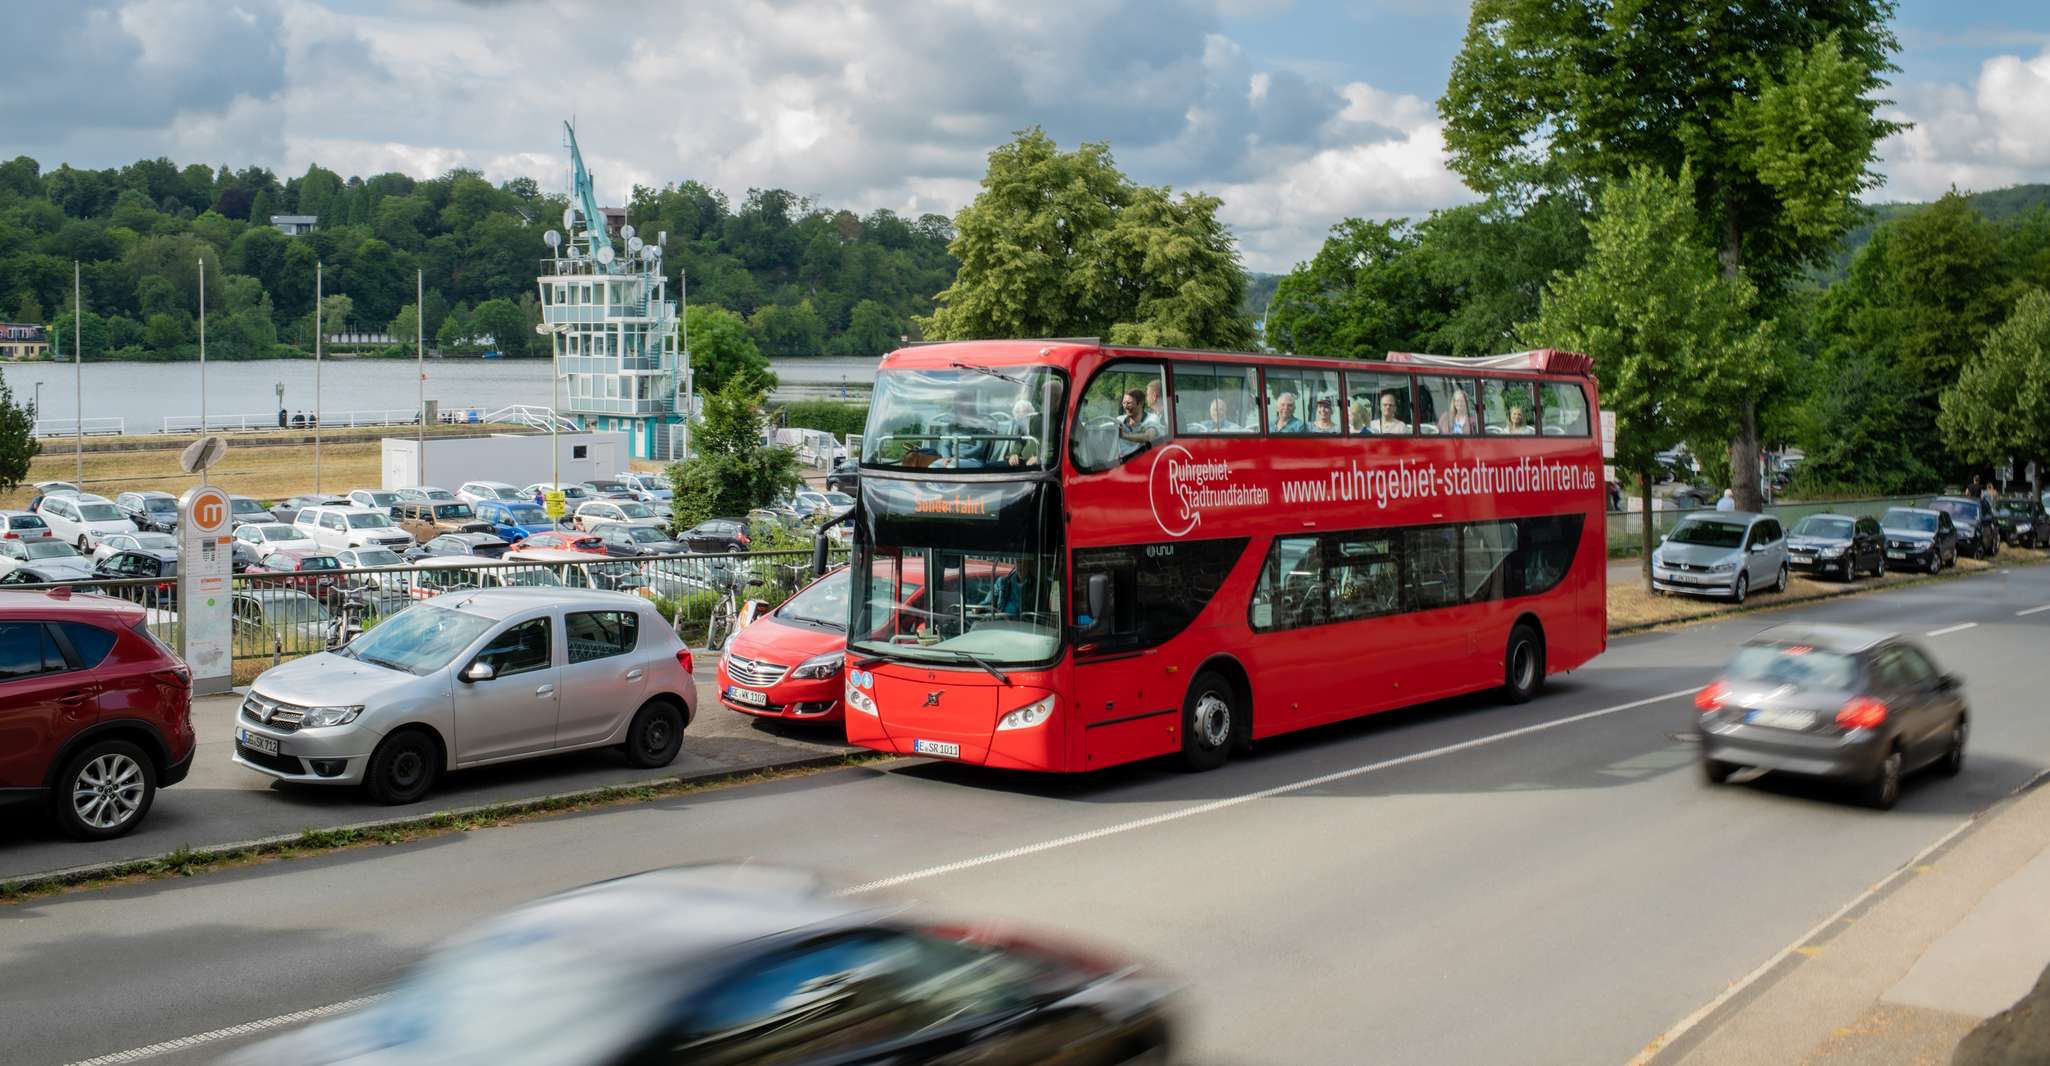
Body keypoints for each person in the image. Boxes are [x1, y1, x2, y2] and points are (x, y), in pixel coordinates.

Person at [1115, 389, 1164, 460]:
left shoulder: (1152, 419)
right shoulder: (1120, 420)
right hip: (1122, 465)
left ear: (1140, 403)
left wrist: (1123, 435)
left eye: (1129, 403)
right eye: (1124, 403)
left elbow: (1148, 436)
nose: (1125, 406)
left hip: (1145, 462)